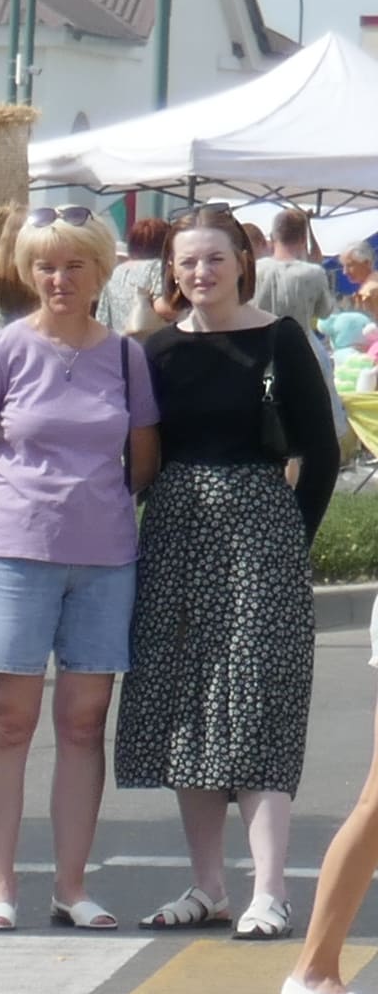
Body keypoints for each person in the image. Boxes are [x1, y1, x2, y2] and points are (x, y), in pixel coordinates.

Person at [116, 213, 337, 938]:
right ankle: (207, 885)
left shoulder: (281, 339)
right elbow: (137, 452)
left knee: (259, 703)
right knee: (186, 704)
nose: (202, 272)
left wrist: (288, 539)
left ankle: (268, 891)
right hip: (175, 531)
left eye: (215, 258)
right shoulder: (153, 352)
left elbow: (320, 453)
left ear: (243, 261)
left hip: (259, 531)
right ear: (170, 273)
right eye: (188, 262)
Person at [0, 214, 160, 933]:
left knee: (83, 721)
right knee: (10, 718)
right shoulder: (1, 351)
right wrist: (9, 520)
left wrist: (91, 513)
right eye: (44, 268)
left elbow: (142, 461)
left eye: (72, 266)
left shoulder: (127, 358)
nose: (58, 280)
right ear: (28, 274)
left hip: (104, 561)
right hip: (14, 554)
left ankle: (72, 885)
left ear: (101, 272)